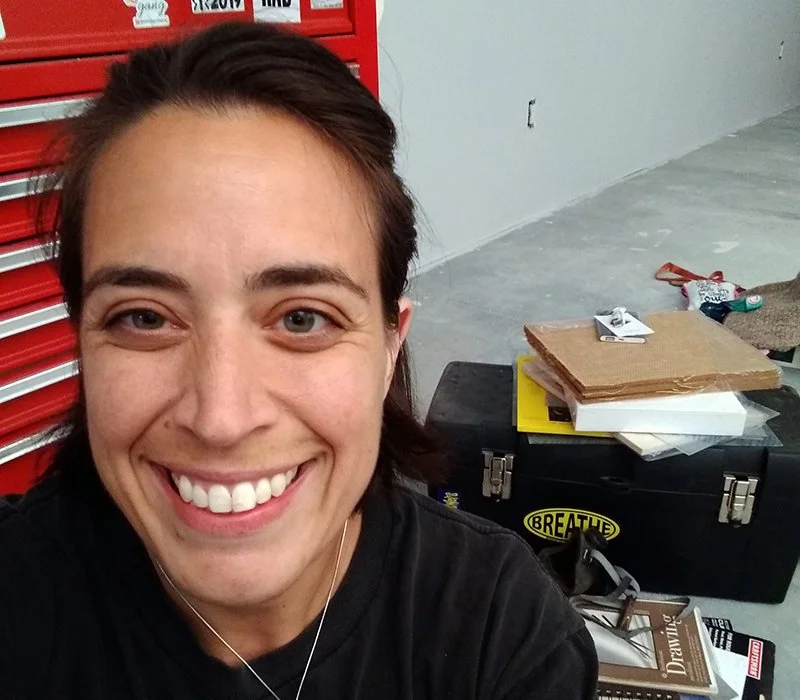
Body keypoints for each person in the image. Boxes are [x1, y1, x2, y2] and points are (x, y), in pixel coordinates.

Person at [0, 23, 597, 699]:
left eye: (302, 319)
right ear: (84, 342)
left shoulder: (502, 636)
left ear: (388, 346)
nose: (221, 419)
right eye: (144, 318)